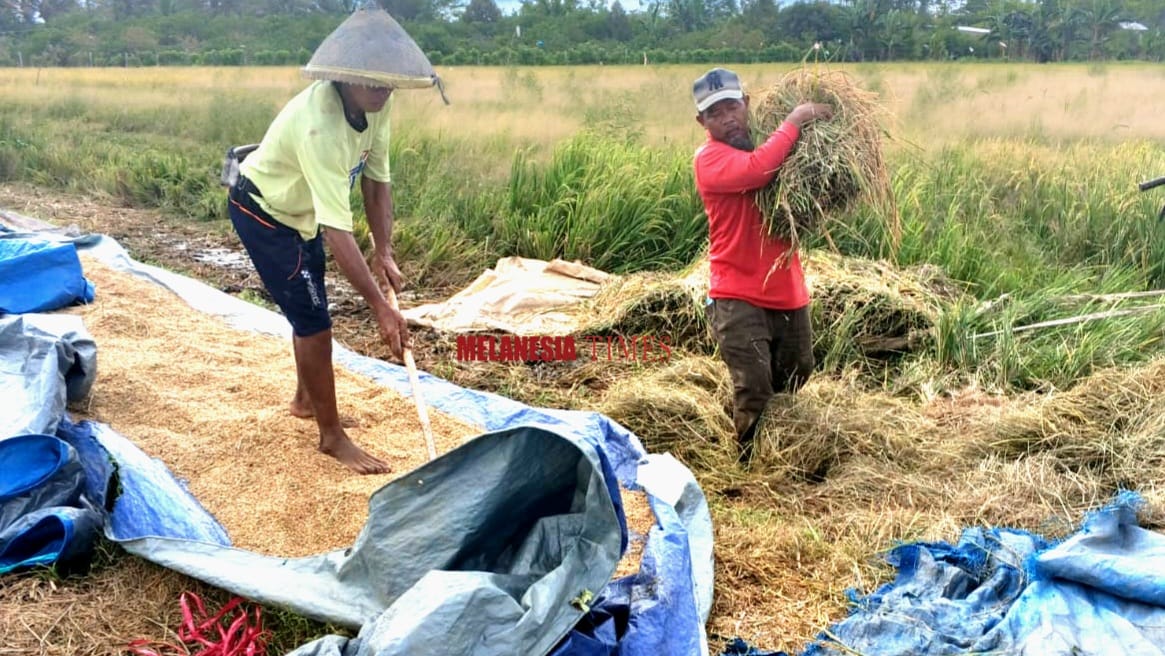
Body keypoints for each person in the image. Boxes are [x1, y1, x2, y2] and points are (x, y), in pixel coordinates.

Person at [226, 17, 423, 475]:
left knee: (309, 303)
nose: (381, 91)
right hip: (266, 213)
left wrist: (384, 251)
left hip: (305, 213)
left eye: (388, 84)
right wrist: (380, 307)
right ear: (345, 74)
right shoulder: (320, 126)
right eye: (371, 82)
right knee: (314, 322)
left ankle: (304, 400)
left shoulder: (378, 106)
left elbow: (376, 180)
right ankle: (332, 437)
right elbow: (338, 234)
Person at [691, 67, 834, 463]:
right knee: (754, 386)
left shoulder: (771, 142)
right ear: (701, 121)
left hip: (787, 290)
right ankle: (750, 467)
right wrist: (797, 118)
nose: (727, 118)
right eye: (715, 113)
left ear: (747, 104)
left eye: (732, 107)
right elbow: (758, 170)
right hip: (737, 294)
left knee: (797, 374)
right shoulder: (710, 159)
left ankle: (786, 454)